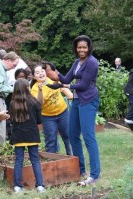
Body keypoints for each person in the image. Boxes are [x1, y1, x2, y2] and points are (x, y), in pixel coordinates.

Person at [45, 35, 101, 186]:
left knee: (89, 136)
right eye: (79, 47)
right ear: (76, 48)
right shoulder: (77, 62)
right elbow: (66, 79)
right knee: (72, 134)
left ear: (89, 47)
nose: (81, 49)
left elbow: (83, 85)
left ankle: (95, 175)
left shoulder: (92, 62)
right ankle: (80, 169)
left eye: (84, 47)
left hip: (88, 100)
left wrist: (63, 87)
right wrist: (55, 72)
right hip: (77, 100)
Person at [10, 78, 46, 193]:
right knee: (35, 159)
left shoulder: (12, 104)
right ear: (27, 88)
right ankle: (40, 186)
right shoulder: (34, 102)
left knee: (18, 160)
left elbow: (12, 121)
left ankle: (17, 186)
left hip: (18, 136)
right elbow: (39, 120)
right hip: (32, 135)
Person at [30, 64, 72, 156]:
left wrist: (72, 97)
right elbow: (39, 104)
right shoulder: (34, 89)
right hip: (48, 117)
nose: (41, 73)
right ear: (34, 76)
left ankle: (73, 160)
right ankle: (51, 164)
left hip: (63, 113)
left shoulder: (52, 79)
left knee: (68, 137)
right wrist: (40, 90)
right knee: (51, 141)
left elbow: (63, 89)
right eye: (37, 73)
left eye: (42, 71)